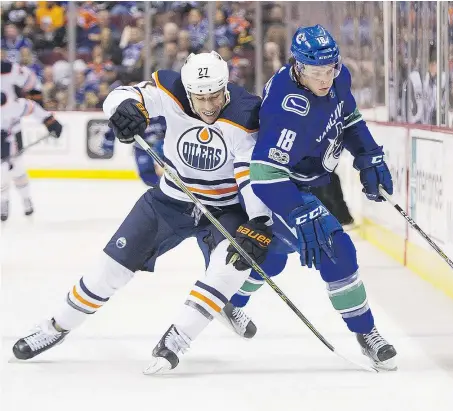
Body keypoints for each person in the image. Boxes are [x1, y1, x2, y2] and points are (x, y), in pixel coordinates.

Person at [11, 52, 281, 375]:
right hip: (170, 200)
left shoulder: (245, 112)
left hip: (226, 206)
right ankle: (55, 327)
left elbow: (248, 175)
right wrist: (121, 109)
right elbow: (124, 95)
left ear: (226, 87)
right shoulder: (171, 89)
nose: (209, 106)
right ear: (187, 89)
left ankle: (180, 336)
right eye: (200, 97)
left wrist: (259, 220)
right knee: (107, 271)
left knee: (238, 259)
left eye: (215, 96)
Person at [224, 25, 397, 370]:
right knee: (337, 250)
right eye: (316, 72)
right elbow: (265, 173)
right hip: (278, 183)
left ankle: (230, 298)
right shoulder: (287, 110)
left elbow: (347, 118)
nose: (325, 79)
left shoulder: (337, 76)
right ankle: (367, 334)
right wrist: (298, 210)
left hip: (305, 177)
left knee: (275, 254)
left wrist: (369, 156)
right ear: (297, 67)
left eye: (330, 69)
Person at [1, 91, 62, 221]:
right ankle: (3, 202)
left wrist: (50, 121)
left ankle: (26, 198)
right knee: (2, 175)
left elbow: (33, 107)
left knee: (18, 171)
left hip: (14, 142)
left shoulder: (15, 105)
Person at [1, 59, 46, 217]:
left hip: (13, 128)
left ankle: (26, 199)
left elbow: (31, 82)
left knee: (17, 167)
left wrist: (45, 115)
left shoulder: (9, 69)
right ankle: (3, 202)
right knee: (1, 171)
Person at [103, 116, 167, 187]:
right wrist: (109, 141)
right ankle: (161, 190)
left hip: (165, 147)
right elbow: (118, 120)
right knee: (146, 175)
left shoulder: (165, 112)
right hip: (142, 148)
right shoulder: (136, 112)